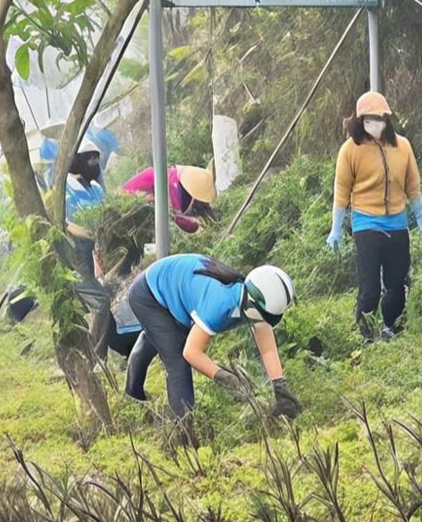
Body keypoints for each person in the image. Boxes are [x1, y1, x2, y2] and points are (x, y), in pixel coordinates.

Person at [124, 254, 300, 428]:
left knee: (162, 337)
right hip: (148, 293)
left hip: (177, 293)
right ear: (253, 303)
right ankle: (184, 429)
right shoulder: (220, 305)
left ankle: (132, 394)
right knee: (176, 359)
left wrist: (279, 386)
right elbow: (191, 352)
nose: (265, 321)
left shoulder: (256, 303)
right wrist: (226, 378)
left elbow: (267, 348)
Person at [327, 92, 422, 342]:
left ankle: (391, 328)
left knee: (397, 284)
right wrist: (336, 230)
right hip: (366, 223)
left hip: (397, 223)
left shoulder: (402, 146)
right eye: (370, 119)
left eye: (381, 118)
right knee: (370, 287)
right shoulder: (350, 150)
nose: (376, 123)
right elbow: (341, 193)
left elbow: (413, 188)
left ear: (387, 120)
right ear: (360, 121)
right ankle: (365, 333)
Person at [121, 164, 218, 235]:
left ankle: (213, 225)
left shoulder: (171, 180)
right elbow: (126, 193)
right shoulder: (151, 177)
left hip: (179, 194)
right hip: (154, 205)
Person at [64, 141, 107, 280]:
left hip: (101, 246)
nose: (95, 163)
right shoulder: (67, 190)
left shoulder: (96, 188)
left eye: (96, 159)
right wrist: (86, 234)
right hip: (80, 251)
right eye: (91, 159)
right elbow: (66, 224)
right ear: (79, 161)